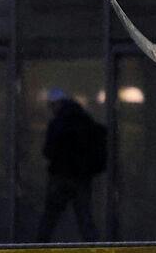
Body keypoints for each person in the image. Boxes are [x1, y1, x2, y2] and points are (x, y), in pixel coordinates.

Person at [39, 90, 108, 242]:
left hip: (60, 176)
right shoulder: (85, 121)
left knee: (50, 218)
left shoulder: (58, 124)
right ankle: (94, 252)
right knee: (85, 217)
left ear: (57, 104)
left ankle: (38, 248)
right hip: (82, 178)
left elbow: (48, 151)